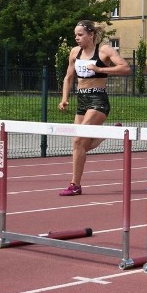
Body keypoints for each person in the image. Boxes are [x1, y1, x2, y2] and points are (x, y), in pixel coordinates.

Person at [57, 20, 131, 196]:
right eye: (75, 35)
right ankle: (110, 133)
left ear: (91, 35)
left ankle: (74, 185)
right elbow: (68, 78)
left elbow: (125, 68)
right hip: (82, 100)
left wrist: (99, 68)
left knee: (78, 142)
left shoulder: (104, 50)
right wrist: (64, 99)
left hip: (98, 100)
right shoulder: (75, 52)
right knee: (80, 145)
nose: (77, 38)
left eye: (80, 34)